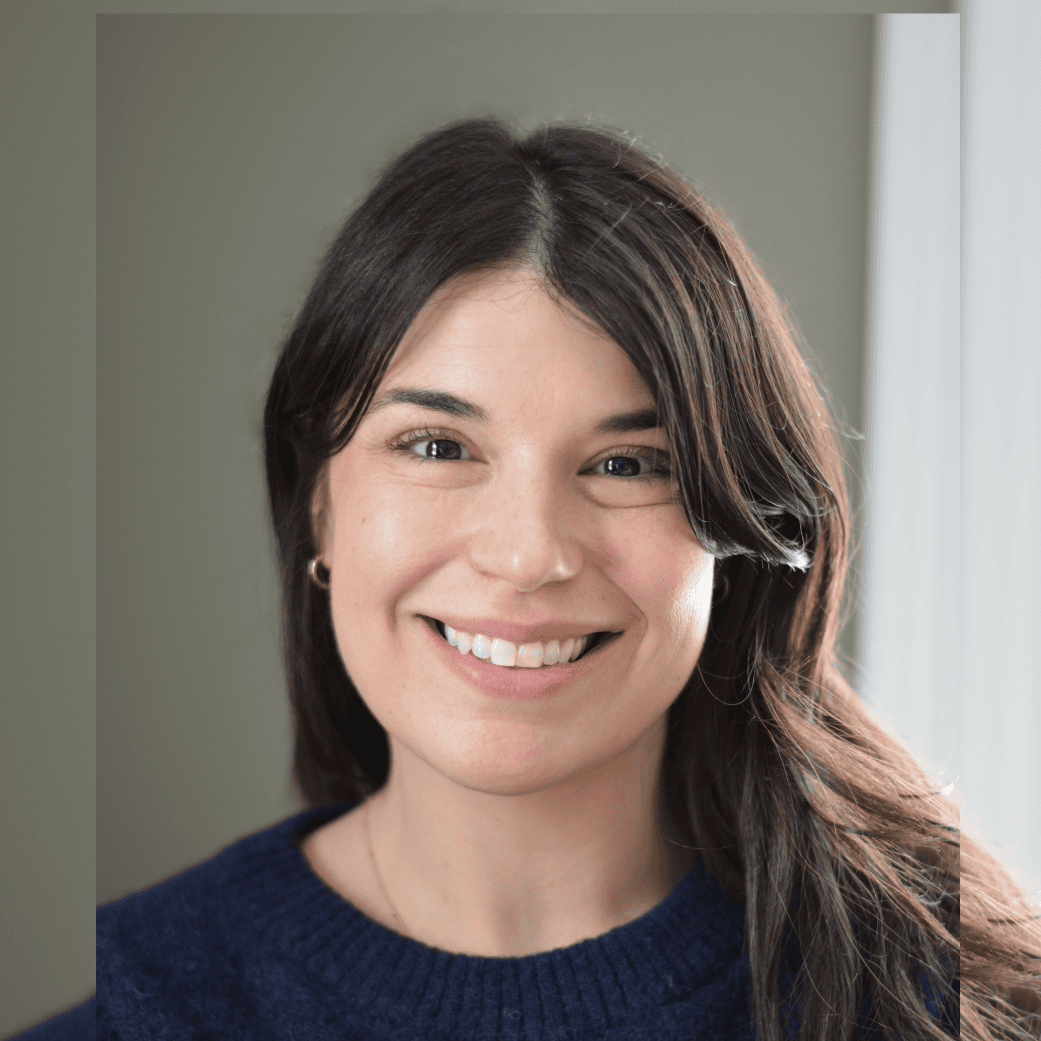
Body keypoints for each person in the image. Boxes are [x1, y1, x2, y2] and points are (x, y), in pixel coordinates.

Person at [22, 118, 1041, 1040]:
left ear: (732, 536)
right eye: (435, 445)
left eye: (629, 464)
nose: (525, 554)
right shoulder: (139, 1008)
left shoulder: (942, 1004)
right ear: (319, 504)